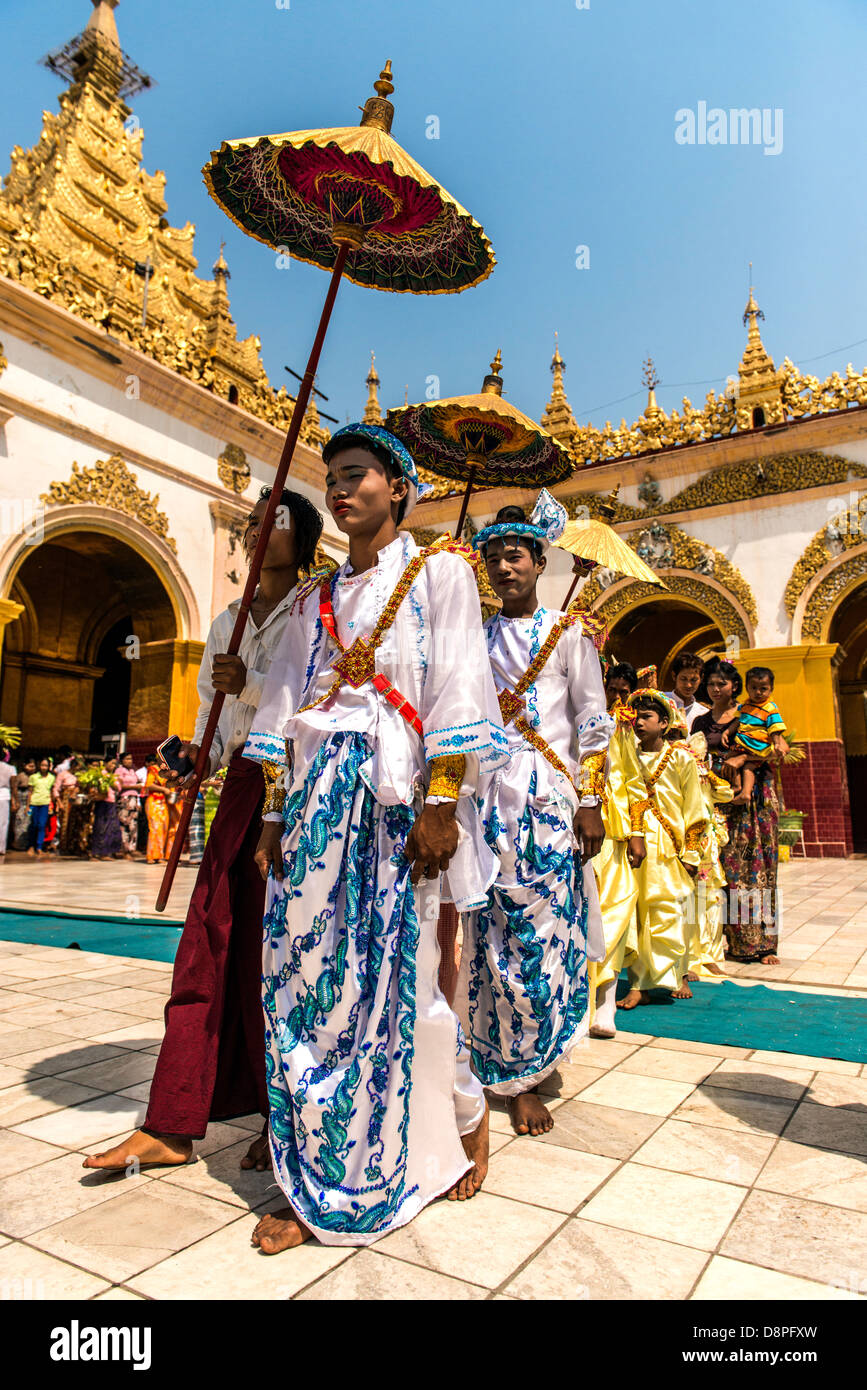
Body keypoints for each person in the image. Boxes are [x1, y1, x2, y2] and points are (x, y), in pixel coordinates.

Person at [243, 422, 508, 1254]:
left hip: (400, 796)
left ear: (399, 489)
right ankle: (314, 1158)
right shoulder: (317, 596)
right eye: (334, 478)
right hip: (321, 797)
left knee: (399, 976)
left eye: (358, 475)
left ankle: (452, 1119)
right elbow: (284, 704)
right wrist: (276, 813)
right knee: (306, 974)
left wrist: (441, 803)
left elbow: (460, 686)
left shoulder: (442, 573)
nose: (342, 490)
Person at [85, 488, 326, 1177]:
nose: (254, 531)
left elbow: (320, 705)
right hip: (243, 791)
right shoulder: (225, 621)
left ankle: (288, 1118)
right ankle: (174, 1118)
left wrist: (249, 686)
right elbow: (214, 729)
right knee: (208, 947)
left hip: (303, 796)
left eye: (271, 520)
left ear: (303, 537)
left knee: (288, 954)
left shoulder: (323, 611)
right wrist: (197, 756)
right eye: (250, 523)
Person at [463, 494, 612, 1133]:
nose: (503, 567)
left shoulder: (571, 634)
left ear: (540, 560)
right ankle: (492, 1058)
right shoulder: (471, 635)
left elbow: (593, 722)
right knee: (486, 930)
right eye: (493, 556)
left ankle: (533, 1071)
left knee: (540, 936)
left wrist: (590, 802)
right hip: (484, 799)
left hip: (548, 802)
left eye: (515, 555)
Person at [618, 691, 707, 1009]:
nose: (638, 722)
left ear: (665, 723)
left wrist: (692, 853)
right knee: (638, 914)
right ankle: (639, 984)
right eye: (635, 716)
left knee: (670, 912)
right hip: (636, 844)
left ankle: (678, 973)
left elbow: (694, 807)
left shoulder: (681, 757)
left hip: (670, 848)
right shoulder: (626, 755)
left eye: (646, 717)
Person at [695, 659, 782, 965]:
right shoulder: (701, 723)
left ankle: (765, 944)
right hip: (719, 800)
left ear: (735, 686)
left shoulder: (754, 711)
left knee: (758, 866)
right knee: (725, 871)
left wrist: (742, 756)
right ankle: (733, 943)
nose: (716, 689)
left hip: (754, 797)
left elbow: (776, 746)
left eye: (722, 683)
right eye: (710, 684)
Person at [591, 663, 646, 1039]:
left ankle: (606, 1001)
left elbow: (632, 780)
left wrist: (637, 832)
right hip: (564, 822)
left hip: (612, 830)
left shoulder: (620, 726)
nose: (614, 695)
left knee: (614, 909)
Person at [730, 666, 789, 806]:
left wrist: (778, 744)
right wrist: (727, 732)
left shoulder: (770, 708)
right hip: (743, 743)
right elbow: (739, 721)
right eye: (754, 687)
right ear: (747, 687)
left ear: (771, 689)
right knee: (729, 758)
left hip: (758, 745)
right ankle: (737, 785)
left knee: (748, 766)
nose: (758, 692)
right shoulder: (746, 705)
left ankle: (745, 793)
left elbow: (775, 728)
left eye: (763, 689)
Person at [90, 757, 123, 860]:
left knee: (110, 828)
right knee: (100, 827)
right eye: (112, 763)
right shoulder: (101, 774)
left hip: (111, 803)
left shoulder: (112, 776)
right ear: (105, 763)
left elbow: (118, 787)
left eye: (114, 764)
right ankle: (97, 852)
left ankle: (106, 852)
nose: (113, 766)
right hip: (102, 803)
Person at [666, 652, 709, 729]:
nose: (688, 685)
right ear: (674, 676)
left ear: (701, 678)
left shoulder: (704, 713)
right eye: (683, 679)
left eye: (694, 680)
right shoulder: (661, 701)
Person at [143, 756, 170, 863]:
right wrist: (163, 789)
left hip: (163, 802)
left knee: (163, 828)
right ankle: (151, 856)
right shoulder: (153, 769)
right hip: (153, 801)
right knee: (154, 827)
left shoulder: (167, 771)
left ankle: (159, 855)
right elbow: (149, 785)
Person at [115, 751, 142, 857]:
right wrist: (135, 787)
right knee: (124, 823)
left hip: (134, 799)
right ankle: (123, 849)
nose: (129, 761)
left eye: (130, 758)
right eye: (127, 759)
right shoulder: (119, 771)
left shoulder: (132, 771)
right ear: (122, 760)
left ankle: (131, 848)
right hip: (124, 799)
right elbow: (119, 786)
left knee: (133, 824)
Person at [51, 757, 80, 855]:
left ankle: (71, 845)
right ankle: (62, 845)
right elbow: (56, 789)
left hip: (75, 799)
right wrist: (59, 802)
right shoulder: (62, 774)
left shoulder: (78, 776)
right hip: (65, 798)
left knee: (74, 823)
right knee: (64, 822)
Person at [27, 758, 55, 856]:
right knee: (34, 824)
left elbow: (51, 791)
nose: (44, 767)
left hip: (45, 803)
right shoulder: (34, 777)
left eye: (46, 765)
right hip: (34, 803)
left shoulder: (51, 777)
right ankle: (31, 845)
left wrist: (52, 804)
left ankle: (39, 846)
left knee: (42, 825)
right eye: (42, 765)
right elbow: (30, 792)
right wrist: (28, 805)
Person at [13, 758, 35, 849]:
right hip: (21, 800)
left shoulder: (35, 777)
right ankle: (18, 843)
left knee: (28, 822)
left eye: (33, 766)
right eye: (30, 766)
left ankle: (27, 844)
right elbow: (14, 788)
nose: (32, 768)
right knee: (19, 821)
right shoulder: (20, 776)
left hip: (31, 801)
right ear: (24, 766)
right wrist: (15, 801)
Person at [0, 749, 17, 859]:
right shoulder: (11, 768)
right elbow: (13, 786)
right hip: (5, 795)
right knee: (3, 823)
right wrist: (15, 800)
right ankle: (1, 847)